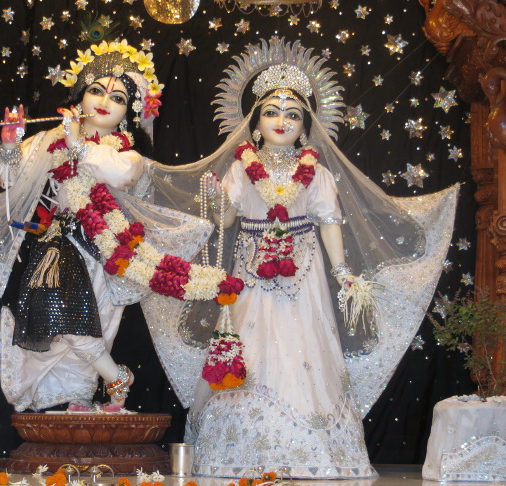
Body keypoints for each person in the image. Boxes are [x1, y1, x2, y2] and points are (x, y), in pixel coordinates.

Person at [143, 39, 459, 478]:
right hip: (251, 271)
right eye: (272, 112)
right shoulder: (241, 167)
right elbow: (227, 219)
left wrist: (342, 271)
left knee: (304, 348)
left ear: (305, 127)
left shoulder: (317, 172)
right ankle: (240, 452)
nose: (282, 121)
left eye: (292, 115)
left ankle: (312, 453)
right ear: (255, 123)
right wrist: (216, 200)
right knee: (248, 348)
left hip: (302, 273)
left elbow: (329, 222)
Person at [0, 40, 241, 413]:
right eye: (96, 90)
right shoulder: (48, 141)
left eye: (118, 98)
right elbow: (12, 180)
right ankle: (114, 380)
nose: (104, 101)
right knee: (60, 322)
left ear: (128, 113)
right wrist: (10, 146)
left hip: (105, 251)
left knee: (95, 323)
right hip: (56, 245)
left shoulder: (125, 153)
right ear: (79, 98)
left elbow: (120, 174)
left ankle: (86, 395)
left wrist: (78, 145)